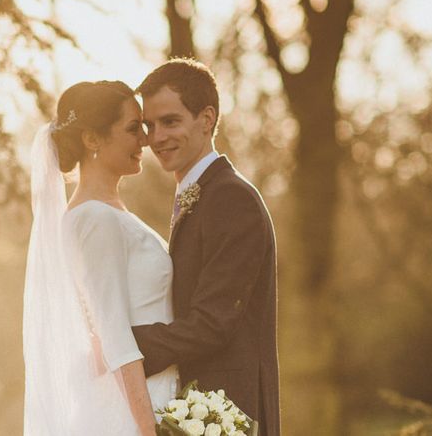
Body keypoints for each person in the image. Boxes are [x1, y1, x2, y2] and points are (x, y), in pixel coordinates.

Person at [131, 58, 281, 436]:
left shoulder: (232, 198)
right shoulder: (200, 194)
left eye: (170, 121)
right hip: (196, 409)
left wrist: (125, 345)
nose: (156, 137)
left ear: (207, 118)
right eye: (149, 125)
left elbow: (213, 323)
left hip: (227, 410)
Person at [22, 81, 177, 436]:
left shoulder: (111, 212)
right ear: (92, 139)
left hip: (156, 390)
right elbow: (115, 336)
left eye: (143, 127)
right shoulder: (93, 218)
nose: (144, 139)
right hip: (139, 406)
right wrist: (147, 428)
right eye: (131, 128)